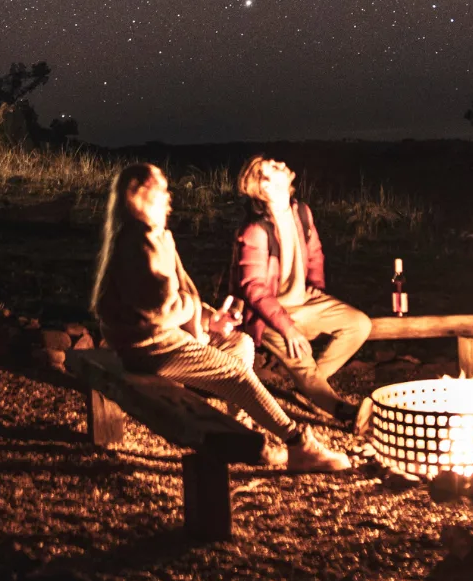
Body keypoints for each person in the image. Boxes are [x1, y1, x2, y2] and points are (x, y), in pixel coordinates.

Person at [91, 162, 351, 472]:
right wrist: (198, 314)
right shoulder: (139, 243)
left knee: (240, 344)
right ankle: (299, 444)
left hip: (163, 336)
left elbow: (174, 301)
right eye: (161, 189)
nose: (169, 195)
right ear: (140, 196)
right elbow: (160, 308)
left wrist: (210, 320)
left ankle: (245, 432)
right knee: (235, 373)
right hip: (149, 347)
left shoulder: (155, 235)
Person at [231, 155, 373, 417]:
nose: (280, 164)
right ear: (265, 187)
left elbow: (315, 252)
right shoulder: (256, 231)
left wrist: (316, 284)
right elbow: (254, 289)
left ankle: (309, 388)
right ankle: (344, 412)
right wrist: (288, 328)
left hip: (305, 303)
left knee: (359, 324)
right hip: (270, 315)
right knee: (302, 363)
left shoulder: (302, 213)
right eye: (272, 167)